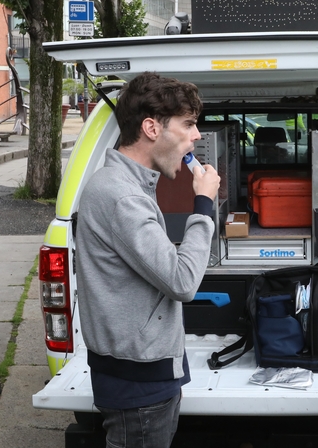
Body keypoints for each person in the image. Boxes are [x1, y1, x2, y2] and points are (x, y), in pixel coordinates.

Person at [75, 72, 220, 447]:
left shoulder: (126, 187)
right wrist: (203, 204)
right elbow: (182, 282)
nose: (197, 135)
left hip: (143, 374)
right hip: (137, 383)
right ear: (151, 127)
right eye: (188, 124)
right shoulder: (122, 196)